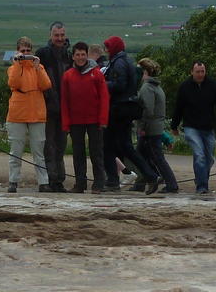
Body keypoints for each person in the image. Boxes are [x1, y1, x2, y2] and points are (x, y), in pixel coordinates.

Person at [101, 35, 155, 192]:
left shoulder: (118, 63)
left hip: (118, 109)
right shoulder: (127, 61)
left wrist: (102, 83)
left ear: (114, 48)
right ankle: (150, 175)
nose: (106, 51)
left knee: (108, 146)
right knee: (125, 146)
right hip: (126, 109)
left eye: (108, 47)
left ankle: (112, 180)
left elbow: (119, 84)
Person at [170, 61, 216, 195]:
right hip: (191, 127)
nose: (200, 74)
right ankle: (202, 187)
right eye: (197, 71)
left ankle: (200, 179)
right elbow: (178, 107)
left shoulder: (213, 86)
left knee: (209, 158)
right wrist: (174, 125)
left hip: (208, 127)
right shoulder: (184, 87)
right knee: (199, 155)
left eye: (203, 71)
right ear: (191, 72)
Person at [60, 40, 109, 193]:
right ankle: (80, 184)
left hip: (94, 120)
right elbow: (64, 101)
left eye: (83, 54)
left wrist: (103, 120)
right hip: (76, 121)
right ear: (73, 57)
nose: (80, 57)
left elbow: (104, 98)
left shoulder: (96, 74)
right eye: (77, 55)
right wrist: (66, 123)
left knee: (96, 153)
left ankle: (99, 184)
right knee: (78, 154)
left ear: (87, 56)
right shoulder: (68, 76)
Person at [6, 36, 52, 193]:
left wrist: (38, 67)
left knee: (38, 151)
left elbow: (46, 85)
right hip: (17, 114)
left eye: (28, 50)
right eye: (22, 50)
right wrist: (18, 63)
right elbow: (13, 83)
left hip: (37, 113)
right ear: (17, 51)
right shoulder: (13, 68)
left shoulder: (38, 68)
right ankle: (13, 181)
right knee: (16, 151)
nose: (25, 53)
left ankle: (43, 182)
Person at [35, 22, 72, 192]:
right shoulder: (42, 54)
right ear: (50, 35)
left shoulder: (69, 55)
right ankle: (50, 179)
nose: (59, 38)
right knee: (48, 145)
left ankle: (59, 180)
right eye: (56, 35)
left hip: (65, 107)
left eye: (62, 35)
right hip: (48, 107)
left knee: (61, 145)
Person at [137, 57, 178, 194]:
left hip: (151, 129)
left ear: (144, 71)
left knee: (156, 157)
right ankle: (150, 179)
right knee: (143, 155)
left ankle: (169, 183)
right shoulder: (156, 87)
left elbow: (148, 110)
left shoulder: (147, 88)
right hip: (155, 126)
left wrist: (142, 127)